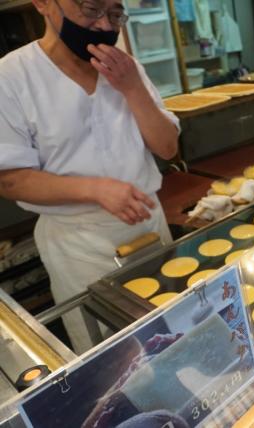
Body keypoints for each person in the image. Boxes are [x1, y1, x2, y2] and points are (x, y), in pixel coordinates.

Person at [0, 0, 180, 352]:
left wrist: (132, 87)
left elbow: (167, 147)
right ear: (44, 4)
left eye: (114, 14)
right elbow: (10, 179)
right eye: (90, 9)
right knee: (113, 356)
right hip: (79, 245)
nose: (103, 26)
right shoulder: (12, 77)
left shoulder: (128, 69)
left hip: (150, 227)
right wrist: (95, 189)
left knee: (170, 336)